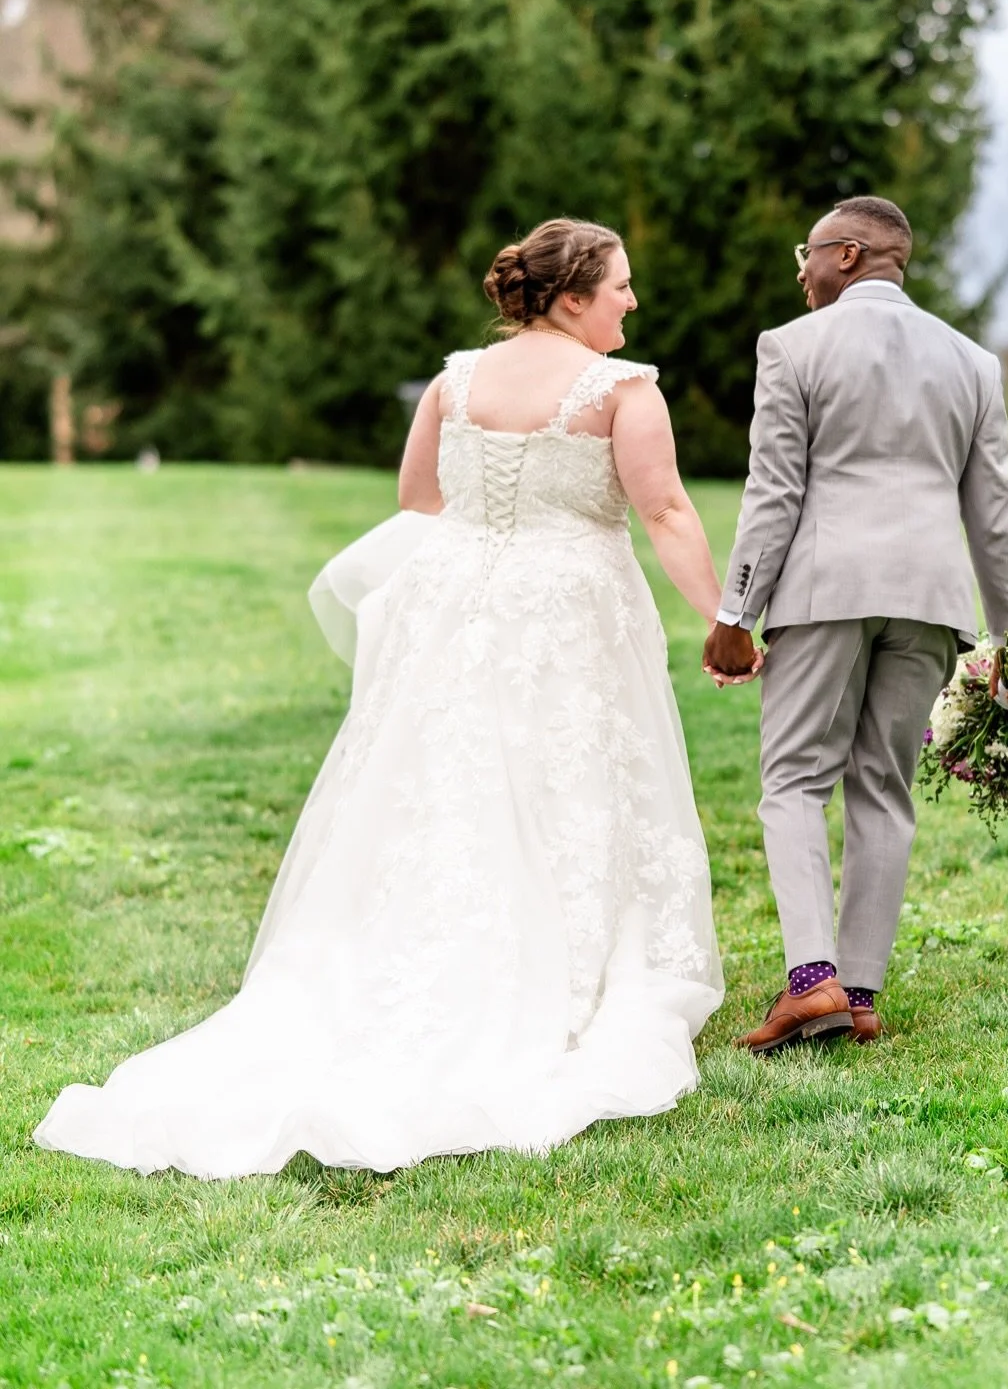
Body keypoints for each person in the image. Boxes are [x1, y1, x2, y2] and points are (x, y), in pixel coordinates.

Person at [35, 219, 727, 1178]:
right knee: (566, 786)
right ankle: (559, 978)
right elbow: (665, 511)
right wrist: (724, 618)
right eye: (620, 285)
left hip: (454, 616)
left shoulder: (454, 381)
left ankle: (421, 960)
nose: (631, 301)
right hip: (567, 618)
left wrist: (491, 550)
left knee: (444, 788)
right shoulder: (623, 392)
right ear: (573, 297)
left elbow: (417, 498)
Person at [702, 195, 1008, 1053]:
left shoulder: (791, 346)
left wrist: (736, 610)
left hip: (823, 591)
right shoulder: (972, 362)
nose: (800, 272)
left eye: (806, 254)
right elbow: (994, 514)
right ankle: (861, 992)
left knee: (794, 781)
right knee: (882, 784)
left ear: (847, 255)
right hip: (931, 601)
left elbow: (773, 490)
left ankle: (811, 982)